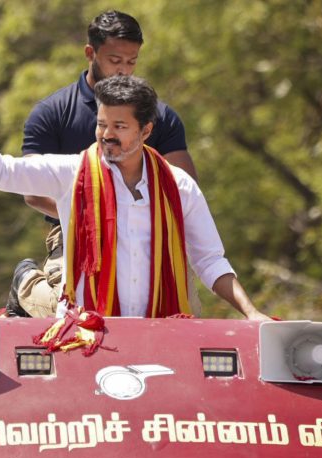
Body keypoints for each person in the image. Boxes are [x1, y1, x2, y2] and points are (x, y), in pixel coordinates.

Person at [0, 64, 270, 321]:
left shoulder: (179, 187)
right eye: (102, 124)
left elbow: (210, 261)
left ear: (146, 131)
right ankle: (27, 282)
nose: (106, 135)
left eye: (119, 126)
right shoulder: (72, 173)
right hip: (84, 330)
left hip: (157, 329)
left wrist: (252, 313)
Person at [10, 10, 200, 318]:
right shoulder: (51, 113)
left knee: (184, 311)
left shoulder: (161, 117)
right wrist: (94, 221)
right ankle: (27, 283)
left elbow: (185, 190)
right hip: (75, 233)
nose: (124, 70)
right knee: (75, 313)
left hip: (153, 234)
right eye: (115, 60)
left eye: (132, 61)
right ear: (90, 53)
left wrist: (134, 221)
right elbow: (32, 192)